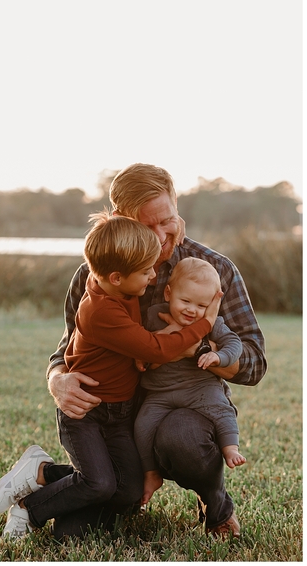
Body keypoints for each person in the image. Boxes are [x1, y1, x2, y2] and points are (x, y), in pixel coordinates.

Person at [46, 163, 266, 539]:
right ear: (117, 220)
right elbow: (68, 347)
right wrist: (56, 380)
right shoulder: (98, 272)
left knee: (180, 437)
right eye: (145, 226)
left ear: (177, 207)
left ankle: (215, 505)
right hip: (115, 415)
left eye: (167, 220)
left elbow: (254, 363)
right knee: (78, 528)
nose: (160, 235)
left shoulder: (214, 270)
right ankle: (48, 476)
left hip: (183, 408)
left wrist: (194, 349)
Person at [0, 212, 220, 539]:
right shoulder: (100, 311)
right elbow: (156, 348)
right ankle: (29, 507)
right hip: (87, 413)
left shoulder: (121, 288)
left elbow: (136, 339)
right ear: (115, 277)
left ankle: (45, 472)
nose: (153, 277)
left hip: (119, 412)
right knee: (98, 484)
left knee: (126, 491)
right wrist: (205, 324)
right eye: (145, 271)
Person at [136, 257, 246, 506]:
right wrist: (151, 348)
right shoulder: (154, 315)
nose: (192, 310)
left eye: (201, 305)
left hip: (199, 388)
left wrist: (217, 356)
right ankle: (151, 473)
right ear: (168, 292)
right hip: (159, 393)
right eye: (185, 301)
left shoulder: (212, 324)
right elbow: (141, 342)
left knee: (221, 408)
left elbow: (235, 345)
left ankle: (231, 448)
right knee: (142, 426)